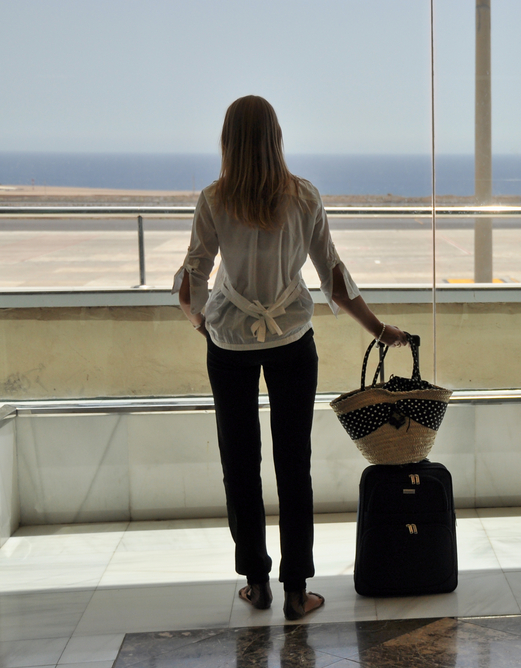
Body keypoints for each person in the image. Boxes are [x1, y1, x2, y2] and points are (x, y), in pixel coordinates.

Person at [175, 95, 408, 621]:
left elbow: (192, 279)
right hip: (292, 343)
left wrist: (201, 324)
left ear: (228, 141)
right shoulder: (305, 197)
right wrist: (379, 329)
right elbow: (335, 278)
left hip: (230, 344)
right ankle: (297, 592)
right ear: (277, 137)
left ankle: (256, 584)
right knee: (292, 465)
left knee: (239, 465)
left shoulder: (213, 199)